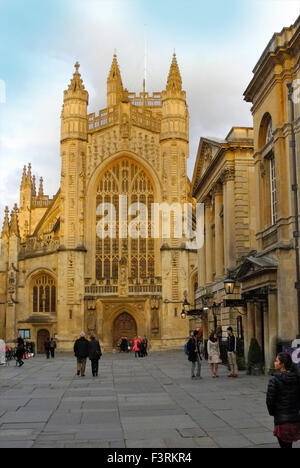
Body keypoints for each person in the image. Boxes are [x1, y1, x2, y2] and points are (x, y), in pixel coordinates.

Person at [266, 352, 300, 449]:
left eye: (277, 361)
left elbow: (270, 400)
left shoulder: (274, 379)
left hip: (281, 420)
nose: (274, 363)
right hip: (294, 419)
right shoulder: (296, 378)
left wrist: (273, 413)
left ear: (282, 364)